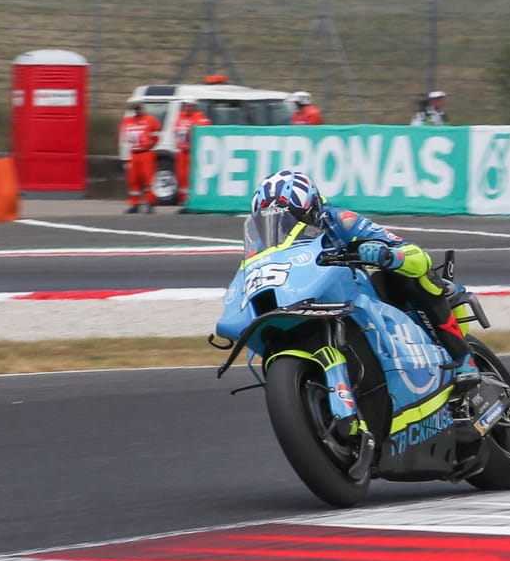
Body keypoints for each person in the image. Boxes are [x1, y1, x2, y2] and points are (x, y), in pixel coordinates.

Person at [248, 168, 483, 389]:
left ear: (314, 211)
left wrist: (389, 255)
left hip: (361, 291)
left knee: (412, 276)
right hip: (311, 300)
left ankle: (463, 357)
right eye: (268, 223)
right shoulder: (261, 246)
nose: (281, 229)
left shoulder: (341, 220)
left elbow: (417, 256)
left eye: (290, 221)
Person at [119, 99, 162, 213]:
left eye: (138, 107)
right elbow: (123, 140)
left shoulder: (150, 120)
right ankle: (135, 204)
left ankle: (150, 203)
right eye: (134, 108)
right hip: (133, 154)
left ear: (142, 107)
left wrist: (151, 144)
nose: (136, 110)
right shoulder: (126, 121)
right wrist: (124, 158)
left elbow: (156, 135)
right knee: (133, 181)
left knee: (148, 180)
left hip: (146, 153)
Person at [172, 101, 210, 202]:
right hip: (182, 152)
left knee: (194, 177)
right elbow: (176, 132)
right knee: (182, 176)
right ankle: (184, 200)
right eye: (185, 106)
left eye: (189, 106)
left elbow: (206, 129)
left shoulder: (199, 117)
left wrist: (192, 130)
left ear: (194, 106)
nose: (187, 108)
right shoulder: (180, 117)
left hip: (194, 153)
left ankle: (194, 200)